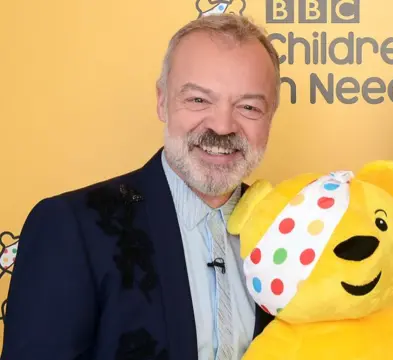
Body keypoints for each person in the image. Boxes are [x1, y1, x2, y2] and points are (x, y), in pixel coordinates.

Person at [1, 13, 280, 360]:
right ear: (162, 101)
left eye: (249, 106)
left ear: (270, 116)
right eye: (198, 100)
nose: (222, 126)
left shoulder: (290, 228)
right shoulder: (72, 226)